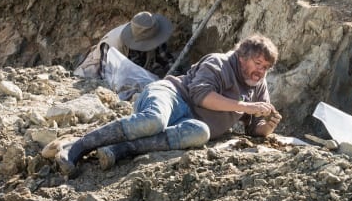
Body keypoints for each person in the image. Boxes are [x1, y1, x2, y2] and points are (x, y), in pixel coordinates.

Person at [58, 34, 282, 176]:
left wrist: (267, 126)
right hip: (173, 95)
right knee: (154, 121)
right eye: (257, 63)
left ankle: (118, 150)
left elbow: (255, 129)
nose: (260, 71)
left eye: (265, 68)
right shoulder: (220, 62)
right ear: (242, 57)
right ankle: (79, 146)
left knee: (200, 133)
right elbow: (201, 96)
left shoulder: (258, 85)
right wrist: (245, 107)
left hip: (192, 121)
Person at [74, 11, 175, 80]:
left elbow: (167, 60)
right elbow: (107, 78)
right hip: (92, 76)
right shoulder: (112, 46)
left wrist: (174, 75)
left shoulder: (151, 30)